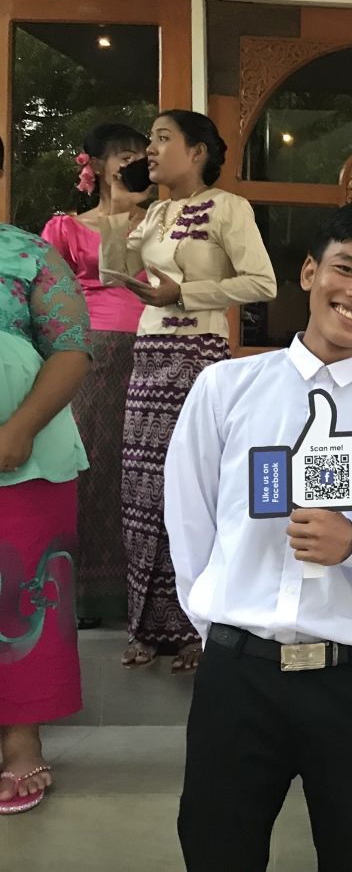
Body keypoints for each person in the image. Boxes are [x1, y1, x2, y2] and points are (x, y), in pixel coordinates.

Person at [163, 202, 352, 871]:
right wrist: (223, 628)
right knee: (217, 849)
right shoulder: (225, 389)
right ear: (309, 272)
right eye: (347, 269)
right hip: (238, 678)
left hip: (351, 684)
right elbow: (189, 524)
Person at [100, 109, 276, 674]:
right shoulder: (152, 213)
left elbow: (262, 283)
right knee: (144, 495)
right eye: (148, 141)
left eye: (162, 138)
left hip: (199, 361)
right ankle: (147, 626)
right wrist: (118, 213)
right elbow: (113, 276)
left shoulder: (229, 208)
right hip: (148, 360)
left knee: (197, 490)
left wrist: (187, 292)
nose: (149, 150)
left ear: (197, 151)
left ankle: (200, 623)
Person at [0, 133, 93, 814]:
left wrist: (20, 429)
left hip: (24, 460)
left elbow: (70, 349)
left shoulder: (29, 255)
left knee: (19, 597)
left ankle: (22, 741)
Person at [41, 123, 153, 626]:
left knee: (146, 473)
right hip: (90, 356)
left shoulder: (165, 222)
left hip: (154, 349)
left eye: (144, 156)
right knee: (93, 468)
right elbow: (49, 304)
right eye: (127, 156)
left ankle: (146, 596)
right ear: (99, 166)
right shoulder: (65, 228)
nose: (137, 164)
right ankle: (85, 596)